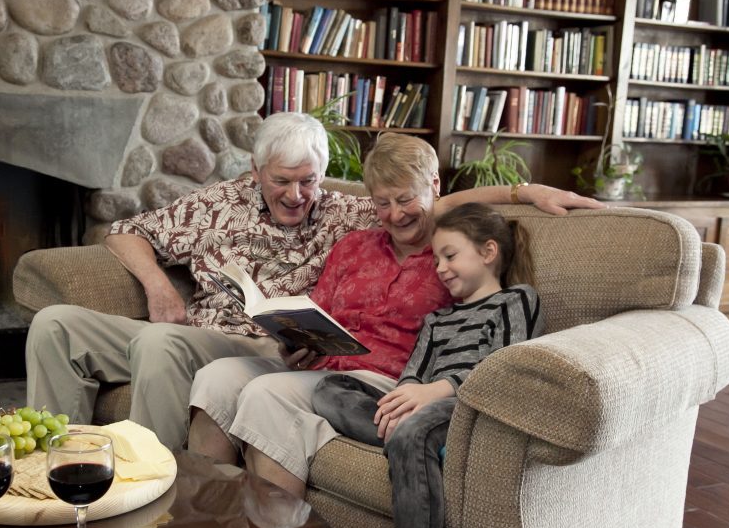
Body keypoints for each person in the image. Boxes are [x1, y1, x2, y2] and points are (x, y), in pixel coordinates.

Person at [27, 113, 598, 449]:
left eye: (310, 181)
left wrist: (526, 193)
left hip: (256, 343)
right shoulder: (218, 203)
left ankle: (136, 484)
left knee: (158, 341)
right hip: (193, 328)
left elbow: (429, 202)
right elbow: (126, 231)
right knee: (56, 325)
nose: (298, 196)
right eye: (283, 182)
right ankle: (50, 467)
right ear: (256, 173)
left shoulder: (352, 215)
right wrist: (158, 286)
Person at [185, 134, 572, 496]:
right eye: (382, 203)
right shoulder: (355, 245)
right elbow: (319, 312)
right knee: (216, 377)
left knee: (264, 393)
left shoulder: (454, 258)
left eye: (405, 199)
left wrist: (524, 191)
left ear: (435, 187)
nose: (395, 214)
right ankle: (208, 521)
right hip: (320, 367)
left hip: (382, 380)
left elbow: (483, 326)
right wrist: (296, 344)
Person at [312, 202, 543, 528]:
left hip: (469, 407)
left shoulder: (516, 299)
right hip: (423, 410)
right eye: (436, 259)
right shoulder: (436, 321)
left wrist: (438, 390)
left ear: (488, 252)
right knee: (328, 390)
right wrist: (402, 397)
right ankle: (416, 450)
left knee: (415, 426)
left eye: (450, 255)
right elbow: (411, 374)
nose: (439, 268)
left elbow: (503, 368)